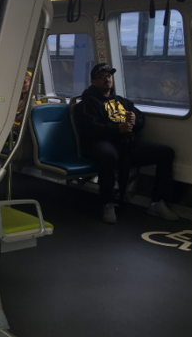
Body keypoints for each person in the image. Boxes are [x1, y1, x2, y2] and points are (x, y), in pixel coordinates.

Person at [75, 63, 178, 224]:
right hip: (101, 142)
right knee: (108, 156)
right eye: (101, 77)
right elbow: (90, 129)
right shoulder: (87, 104)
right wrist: (118, 129)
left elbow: (140, 120)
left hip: (127, 143)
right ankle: (107, 203)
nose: (107, 80)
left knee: (166, 152)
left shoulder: (122, 102)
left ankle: (157, 202)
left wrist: (133, 122)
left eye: (109, 76)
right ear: (93, 82)